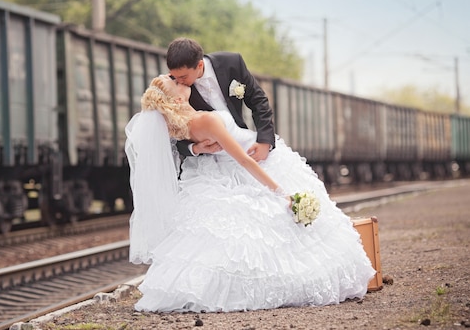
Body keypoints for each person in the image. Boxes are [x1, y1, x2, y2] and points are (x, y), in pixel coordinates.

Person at [124, 75, 375, 313]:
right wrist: (281, 192)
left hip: (234, 167)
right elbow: (244, 160)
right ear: (177, 100)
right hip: (254, 164)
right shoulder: (206, 121)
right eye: (174, 82)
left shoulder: (185, 126)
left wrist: (197, 147)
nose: (179, 80)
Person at [167, 37, 274, 162]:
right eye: (175, 76)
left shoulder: (232, 63)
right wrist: (195, 148)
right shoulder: (175, 89)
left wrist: (265, 141)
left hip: (244, 145)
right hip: (209, 160)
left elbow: (259, 101)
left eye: (183, 76)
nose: (178, 81)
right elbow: (174, 134)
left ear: (200, 65)